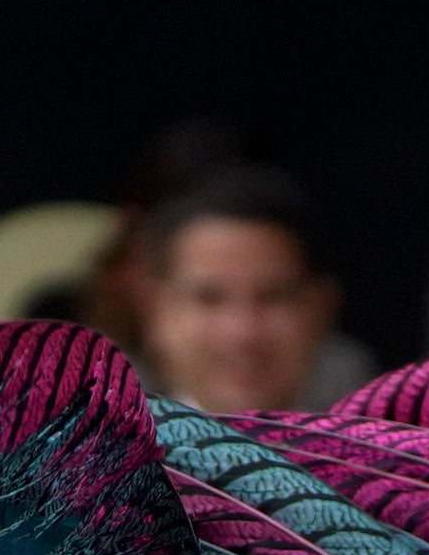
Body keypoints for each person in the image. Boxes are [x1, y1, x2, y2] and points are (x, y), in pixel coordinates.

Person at [120, 167, 347, 414]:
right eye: (209, 298)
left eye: (273, 297)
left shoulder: (383, 450)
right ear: (153, 309)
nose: (241, 332)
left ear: (322, 308)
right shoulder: (94, 451)